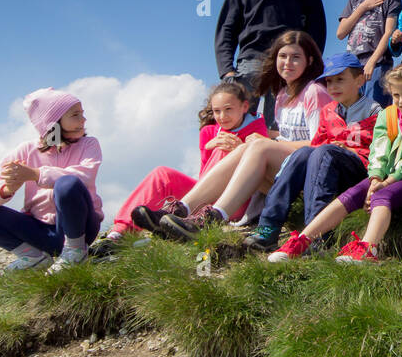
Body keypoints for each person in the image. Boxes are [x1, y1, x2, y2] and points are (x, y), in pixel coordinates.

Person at [140, 31, 330, 231]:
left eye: (295, 57)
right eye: (282, 56)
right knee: (244, 148)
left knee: (258, 147)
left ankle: (214, 216)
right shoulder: (282, 95)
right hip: (285, 167)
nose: (287, 62)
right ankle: (182, 210)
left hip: (308, 169)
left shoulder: (314, 92)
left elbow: (321, 143)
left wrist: (270, 143)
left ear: (309, 61)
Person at [269, 62, 402, 263]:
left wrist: (387, 182)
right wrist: (374, 177)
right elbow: (378, 148)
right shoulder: (387, 113)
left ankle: (367, 248)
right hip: (385, 175)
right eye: (396, 95)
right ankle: (303, 239)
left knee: (382, 196)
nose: (400, 101)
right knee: (351, 195)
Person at [237, 53, 382, 250]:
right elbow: (318, 143)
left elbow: (380, 149)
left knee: (324, 152)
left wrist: (348, 150)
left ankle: (316, 234)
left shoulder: (375, 111)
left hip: (358, 168)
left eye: (340, 80)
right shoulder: (329, 110)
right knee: (303, 153)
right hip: (327, 166)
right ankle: (268, 227)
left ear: (359, 80)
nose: (333, 87)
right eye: (329, 82)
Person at [98, 81, 266, 247]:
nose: (222, 116)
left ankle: (187, 218)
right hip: (204, 195)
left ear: (244, 107)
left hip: (236, 201)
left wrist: (239, 149)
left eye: (228, 109)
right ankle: (119, 233)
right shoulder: (209, 132)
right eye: (217, 111)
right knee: (162, 173)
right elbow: (204, 175)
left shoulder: (257, 130)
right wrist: (208, 148)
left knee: (224, 149)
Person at [0, 89, 103, 274]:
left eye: (82, 114)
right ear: (52, 123)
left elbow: (85, 176)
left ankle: (76, 252)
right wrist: (6, 189)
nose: (83, 120)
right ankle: (32, 257)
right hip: (39, 231)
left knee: (67, 183)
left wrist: (36, 174)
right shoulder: (25, 150)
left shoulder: (89, 145)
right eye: (75, 115)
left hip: (80, 228)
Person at [216, 0, 328, 127]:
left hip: (288, 57)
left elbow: (316, 18)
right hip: (250, 59)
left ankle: (276, 157)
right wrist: (226, 70)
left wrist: (312, 57)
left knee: (279, 122)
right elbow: (226, 29)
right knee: (239, 123)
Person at [337, 0, 402, 108]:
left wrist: (372, 62)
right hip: (353, 64)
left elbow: (388, 32)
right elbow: (341, 33)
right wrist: (363, 7)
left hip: (378, 64)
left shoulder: (392, 0)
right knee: (352, 109)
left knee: (376, 109)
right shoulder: (355, 0)